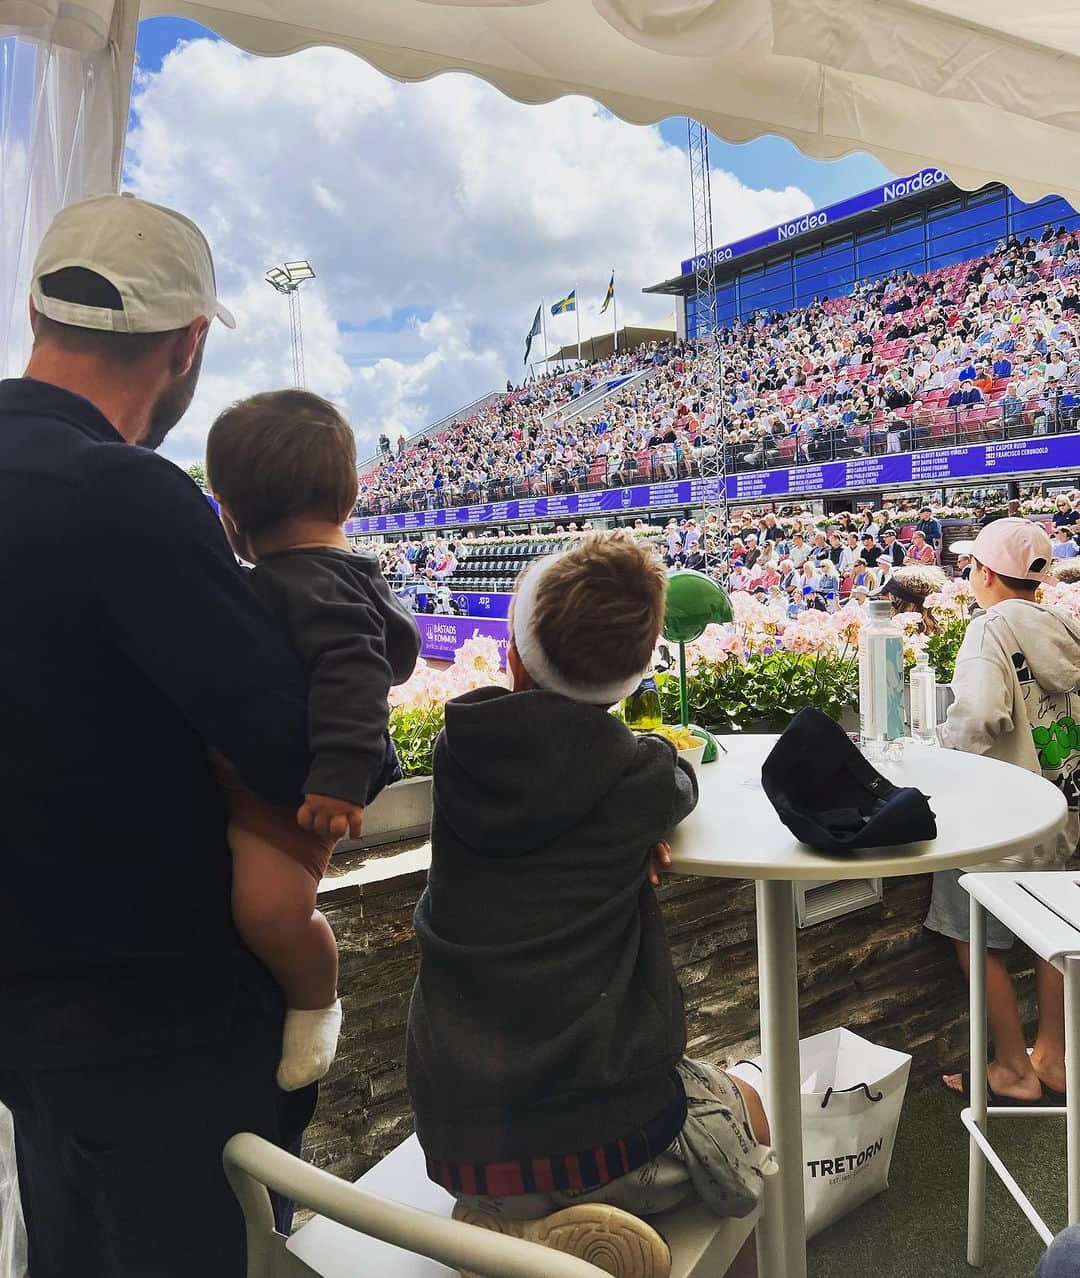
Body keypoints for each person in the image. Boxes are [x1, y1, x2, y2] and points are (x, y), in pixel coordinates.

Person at [0, 194, 319, 1276]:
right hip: (149, 1019)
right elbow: (285, 743)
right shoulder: (124, 494)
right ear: (187, 346)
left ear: (36, 309)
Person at [407, 533, 774, 1278]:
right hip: (601, 1135)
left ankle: (514, 1226)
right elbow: (678, 778)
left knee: (536, 1161)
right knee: (753, 1102)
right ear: (636, 678)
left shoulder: (457, 752)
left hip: (456, 1141)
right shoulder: (636, 780)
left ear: (511, 656)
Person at [205, 390, 420, 1090]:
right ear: (351, 495)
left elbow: (355, 672)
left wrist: (338, 776)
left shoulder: (315, 583)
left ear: (232, 520)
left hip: (301, 794)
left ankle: (315, 1000)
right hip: (276, 782)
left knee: (269, 909)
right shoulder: (303, 576)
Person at [930, 520, 1080, 1106]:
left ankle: (1014, 1068)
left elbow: (977, 721)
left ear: (985, 573)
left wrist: (939, 750)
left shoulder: (988, 630)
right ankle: (1055, 1056)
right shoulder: (1068, 627)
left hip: (1002, 819)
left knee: (973, 932)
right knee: (1053, 934)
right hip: (1063, 813)